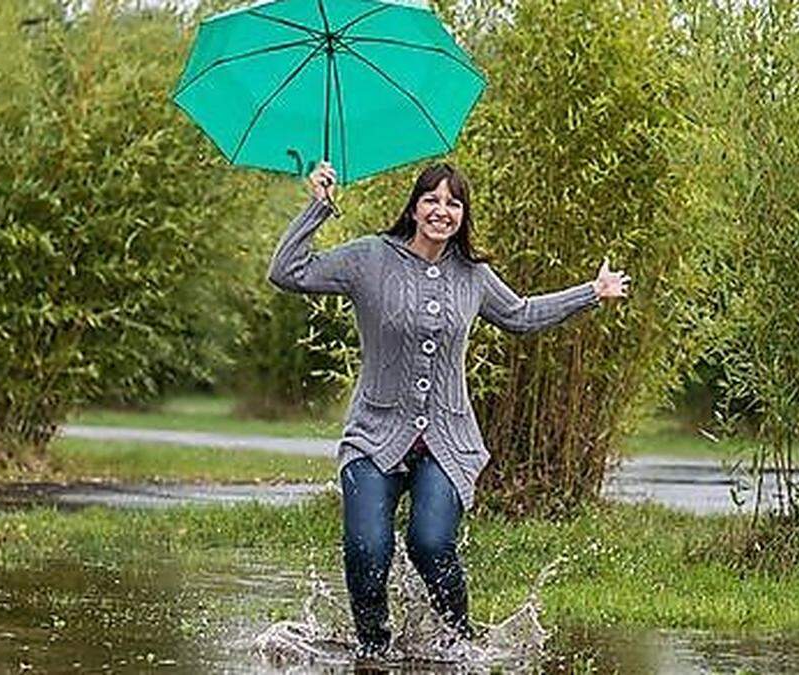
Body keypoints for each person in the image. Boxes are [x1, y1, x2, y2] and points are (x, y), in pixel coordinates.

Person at [267, 160, 629, 657]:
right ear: (414, 208)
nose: (442, 211)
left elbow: (520, 315)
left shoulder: (472, 275)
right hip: (373, 436)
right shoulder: (371, 258)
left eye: (453, 203)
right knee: (368, 551)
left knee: (430, 543)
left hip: (447, 440)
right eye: (432, 200)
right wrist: (319, 206)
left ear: (463, 214)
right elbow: (287, 271)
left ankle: (462, 649)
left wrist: (592, 292)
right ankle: (373, 652)